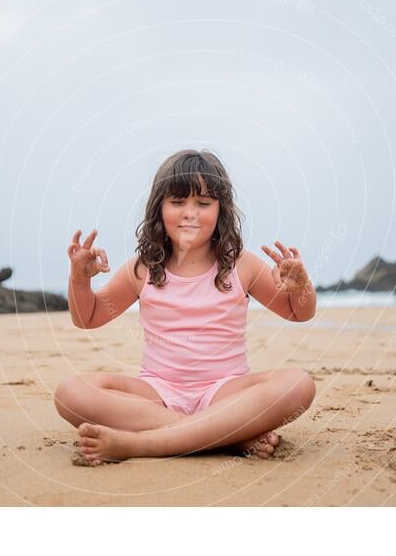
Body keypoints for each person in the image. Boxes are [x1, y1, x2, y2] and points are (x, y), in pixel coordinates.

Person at [55, 150, 316, 465]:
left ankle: (141, 443)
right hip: (156, 394)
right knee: (71, 393)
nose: (189, 213)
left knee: (299, 384)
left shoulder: (241, 264)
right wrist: (80, 280)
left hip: (226, 392)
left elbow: (298, 312)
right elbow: (88, 317)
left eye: (203, 204)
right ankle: (226, 435)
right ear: (159, 209)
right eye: (177, 203)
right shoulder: (143, 268)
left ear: (221, 211)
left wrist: (301, 286)